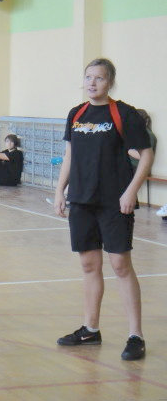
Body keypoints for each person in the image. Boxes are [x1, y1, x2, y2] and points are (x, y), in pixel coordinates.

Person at [53, 58, 153, 360]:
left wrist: (131, 191)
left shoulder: (124, 114)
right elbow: (70, 155)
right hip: (82, 201)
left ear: (110, 82)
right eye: (88, 77)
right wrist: (59, 190)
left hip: (113, 202)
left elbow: (146, 155)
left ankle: (135, 335)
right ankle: (90, 329)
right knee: (89, 265)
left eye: (99, 78)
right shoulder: (76, 114)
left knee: (120, 265)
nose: (92, 83)